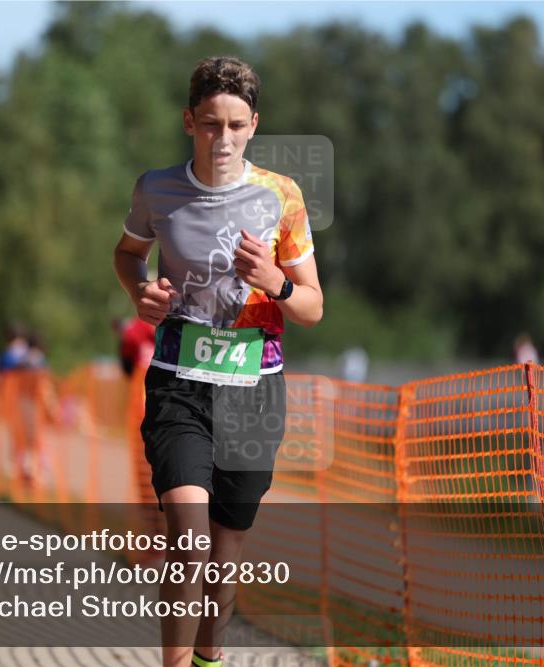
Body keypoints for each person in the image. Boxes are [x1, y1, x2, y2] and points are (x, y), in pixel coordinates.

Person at [113, 55, 323, 667]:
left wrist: (275, 283)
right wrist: (140, 290)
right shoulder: (156, 188)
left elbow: (312, 307)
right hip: (179, 385)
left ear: (254, 125)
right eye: (210, 124)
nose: (222, 139)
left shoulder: (282, 196)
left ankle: (210, 657)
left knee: (224, 554)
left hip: (255, 393)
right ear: (189, 122)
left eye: (235, 125)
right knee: (190, 543)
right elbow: (127, 254)